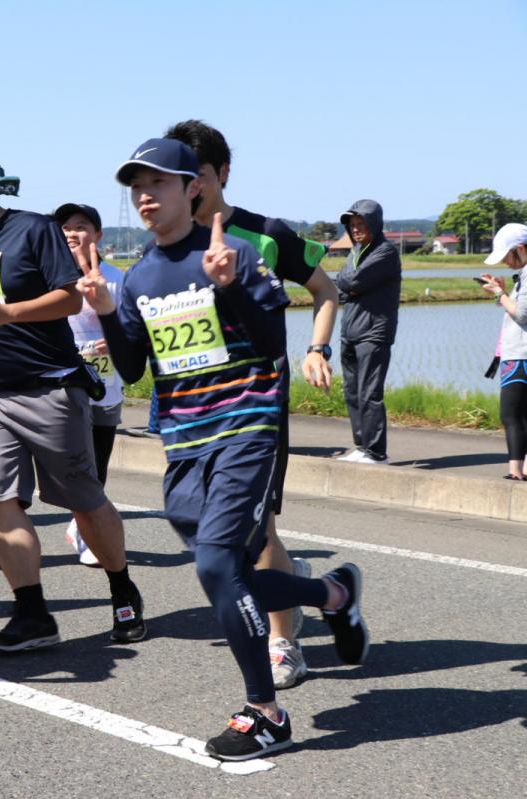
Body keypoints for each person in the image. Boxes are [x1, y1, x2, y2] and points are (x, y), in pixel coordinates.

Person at [79, 138, 370, 762]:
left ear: (194, 188)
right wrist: (104, 310)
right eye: (137, 186)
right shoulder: (140, 276)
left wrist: (231, 285)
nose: (145, 196)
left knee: (216, 565)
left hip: (245, 429)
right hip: (184, 440)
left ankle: (265, 712)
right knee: (228, 575)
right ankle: (333, 595)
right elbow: (132, 369)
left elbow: (267, 341)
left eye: (158, 183)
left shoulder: (235, 253)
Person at [0, 153, 146, 651]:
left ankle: (121, 587)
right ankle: (33, 614)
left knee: (83, 500)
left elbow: (70, 299)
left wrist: (10, 313)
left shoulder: (34, 230)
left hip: (49, 388)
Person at [165, 120, 337, 690]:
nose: (189, 188)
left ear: (222, 174)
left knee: (258, 531)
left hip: (256, 407)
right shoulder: (167, 244)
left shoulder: (264, 234)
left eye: (198, 176)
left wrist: (316, 348)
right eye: (178, 177)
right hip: (192, 412)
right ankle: (300, 584)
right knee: (219, 538)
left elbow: (326, 290)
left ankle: (284, 642)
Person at [53, 202, 126, 568]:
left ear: (97, 235)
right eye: (65, 227)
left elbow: (134, 329)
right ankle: (84, 530)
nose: (72, 233)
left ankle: (79, 525)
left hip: (107, 384)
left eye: (80, 226)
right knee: (75, 465)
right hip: (65, 386)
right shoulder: (51, 277)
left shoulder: (117, 279)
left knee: (98, 465)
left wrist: (115, 340)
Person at [336, 200, 400, 464]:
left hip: (374, 332)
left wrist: (349, 285)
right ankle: (362, 446)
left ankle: (376, 452)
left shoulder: (386, 251)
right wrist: (349, 286)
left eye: (361, 223)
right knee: (352, 391)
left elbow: (352, 280)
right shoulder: (355, 252)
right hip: (350, 330)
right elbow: (343, 289)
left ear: (374, 223)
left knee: (369, 392)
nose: (356, 229)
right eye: (352, 225)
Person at [479, 223, 527, 479]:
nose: (506, 262)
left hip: (520, 355)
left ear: (520, 248)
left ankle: (516, 471)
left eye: (507, 255)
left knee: (511, 414)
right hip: (519, 353)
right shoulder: (523, 275)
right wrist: (504, 292)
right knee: (520, 414)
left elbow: (522, 315)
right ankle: (521, 470)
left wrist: (499, 293)